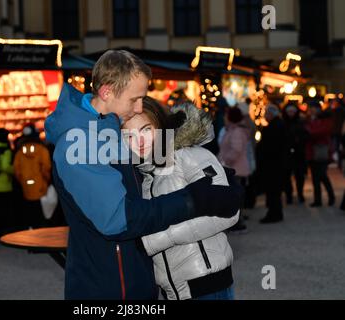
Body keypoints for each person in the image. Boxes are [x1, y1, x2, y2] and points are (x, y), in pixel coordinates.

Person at [45, 50, 244, 300]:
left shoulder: (108, 129)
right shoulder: (80, 143)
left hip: (145, 282)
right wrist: (193, 199)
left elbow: (160, 152)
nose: (139, 107)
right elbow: (118, 219)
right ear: (106, 92)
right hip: (111, 289)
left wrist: (216, 175)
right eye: (134, 99)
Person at [122, 97, 239, 300]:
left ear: (160, 126)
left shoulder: (190, 155)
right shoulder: (144, 174)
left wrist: (157, 241)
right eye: (129, 136)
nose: (138, 142)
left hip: (208, 287)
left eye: (145, 130)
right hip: (171, 291)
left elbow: (228, 212)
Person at [218, 107, 250, 233]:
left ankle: (238, 223)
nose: (224, 117)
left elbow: (236, 150)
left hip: (235, 169)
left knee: (235, 197)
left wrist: (225, 161)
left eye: (226, 115)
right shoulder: (232, 130)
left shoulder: (236, 131)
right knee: (234, 196)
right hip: (233, 168)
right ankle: (236, 222)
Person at [13, 124, 52, 229]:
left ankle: (30, 229)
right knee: (41, 212)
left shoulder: (20, 152)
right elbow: (46, 167)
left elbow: (16, 170)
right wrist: (47, 181)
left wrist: (22, 180)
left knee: (29, 210)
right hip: (40, 186)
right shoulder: (42, 150)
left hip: (26, 186)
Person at [256, 104, 287, 223]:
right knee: (275, 191)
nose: (264, 116)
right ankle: (276, 213)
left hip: (273, 165)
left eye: (266, 114)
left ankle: (274, 213)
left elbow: (269, 148)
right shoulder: (278, 125)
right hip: (276, 164)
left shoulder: (273, 127)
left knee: (273, 191)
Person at [305, 103, 335, 207]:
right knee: (315, 177)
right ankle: (318, 200)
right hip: (312, 152)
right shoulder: (309, 119)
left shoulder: (325, 119)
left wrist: (309, 131)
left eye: (313, 108)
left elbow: (320, 132)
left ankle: (331, 197)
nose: (311, 110)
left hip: (321, 152)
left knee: (322, 176)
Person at [282, 104, 308, 204]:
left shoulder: (300, 123)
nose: (291, 114)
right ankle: (289, 195)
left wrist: (299, 141)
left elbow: (305, 136)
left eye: (293, 112)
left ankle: (300, 194)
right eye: (289, 112)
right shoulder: (283, 123)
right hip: (287, 154)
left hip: (298, 154)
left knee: (299, 176)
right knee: (286, 176)